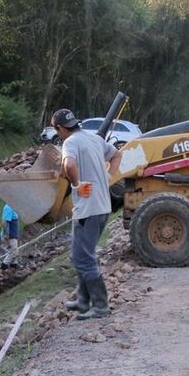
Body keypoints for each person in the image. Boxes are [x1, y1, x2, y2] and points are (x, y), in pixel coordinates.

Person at [52, 108, 121, 320]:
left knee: (84, 258)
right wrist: (108, 176)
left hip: (88, 209)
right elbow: (117, 154)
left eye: (57, 130)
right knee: (80, 254)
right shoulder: (94, 138)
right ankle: (83, 300)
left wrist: (76, 184)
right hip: (101, 207)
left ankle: (100, 305)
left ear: (60, 128)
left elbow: (69, 164)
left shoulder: (70, 142)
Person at [0, 203, 20, 269]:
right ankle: (3, 268)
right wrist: (6, 236)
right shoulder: (9, 207)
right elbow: (4, 223)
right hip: (10, 236)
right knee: (13, 253)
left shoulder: (12, 206)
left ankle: (14, 268)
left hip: (13, 235)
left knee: (15, 252)